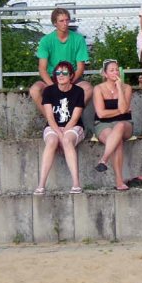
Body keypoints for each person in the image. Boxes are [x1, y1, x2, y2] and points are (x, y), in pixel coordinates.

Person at [35, 61, 86, 195]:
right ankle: (41, 184)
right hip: (53, 126)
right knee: (52, 141)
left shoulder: (78, 91)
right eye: (57, 72)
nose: (60, 75)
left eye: (64, 73)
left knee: (67, 141)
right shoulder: (49, 91)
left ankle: (76, 183)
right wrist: (58, 132)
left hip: (73, 126)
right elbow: (49, 117)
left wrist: (64, 134)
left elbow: (75, 118)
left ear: (71, 75)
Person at [29, 8, 92, 113]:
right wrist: (54, 87)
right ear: (54, 23)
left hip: (72, 78)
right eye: (61, 21)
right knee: (35, 90)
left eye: (67, 20)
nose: (65, 23)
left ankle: (72, 116)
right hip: (52, 78)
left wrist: (68, 83)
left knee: (88, 88)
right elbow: (42, 69)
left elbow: (80, 68)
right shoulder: (46, 40)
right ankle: (51, 120)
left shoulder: (79, 39)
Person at [92, 59, 133, 191]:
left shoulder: (127, 88)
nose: (115, 72)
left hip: (125, 124)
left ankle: (104, 159)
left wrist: (119, 88)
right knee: (117, 141)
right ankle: (119, 182)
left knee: (120, 126)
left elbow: (123, 108)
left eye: (117, 69)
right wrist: (120, 111)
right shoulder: (98, 89)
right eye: (112, 70)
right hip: (103, 125)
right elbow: (101, 114)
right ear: (105, 74)